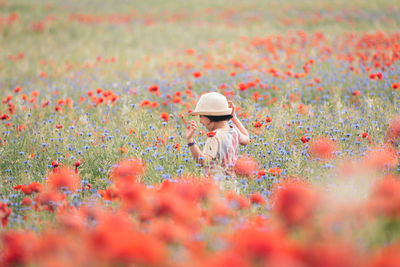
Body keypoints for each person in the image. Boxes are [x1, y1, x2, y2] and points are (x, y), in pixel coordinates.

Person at [185, 92, 250, 178]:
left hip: (216, 184)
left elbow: (204, 161)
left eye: (201, 116)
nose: (200, 121)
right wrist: (233, 117)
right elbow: (247, 138)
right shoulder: (233, 130)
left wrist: (190, 141)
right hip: (232, 183)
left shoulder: (214, 136)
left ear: (210, 116)